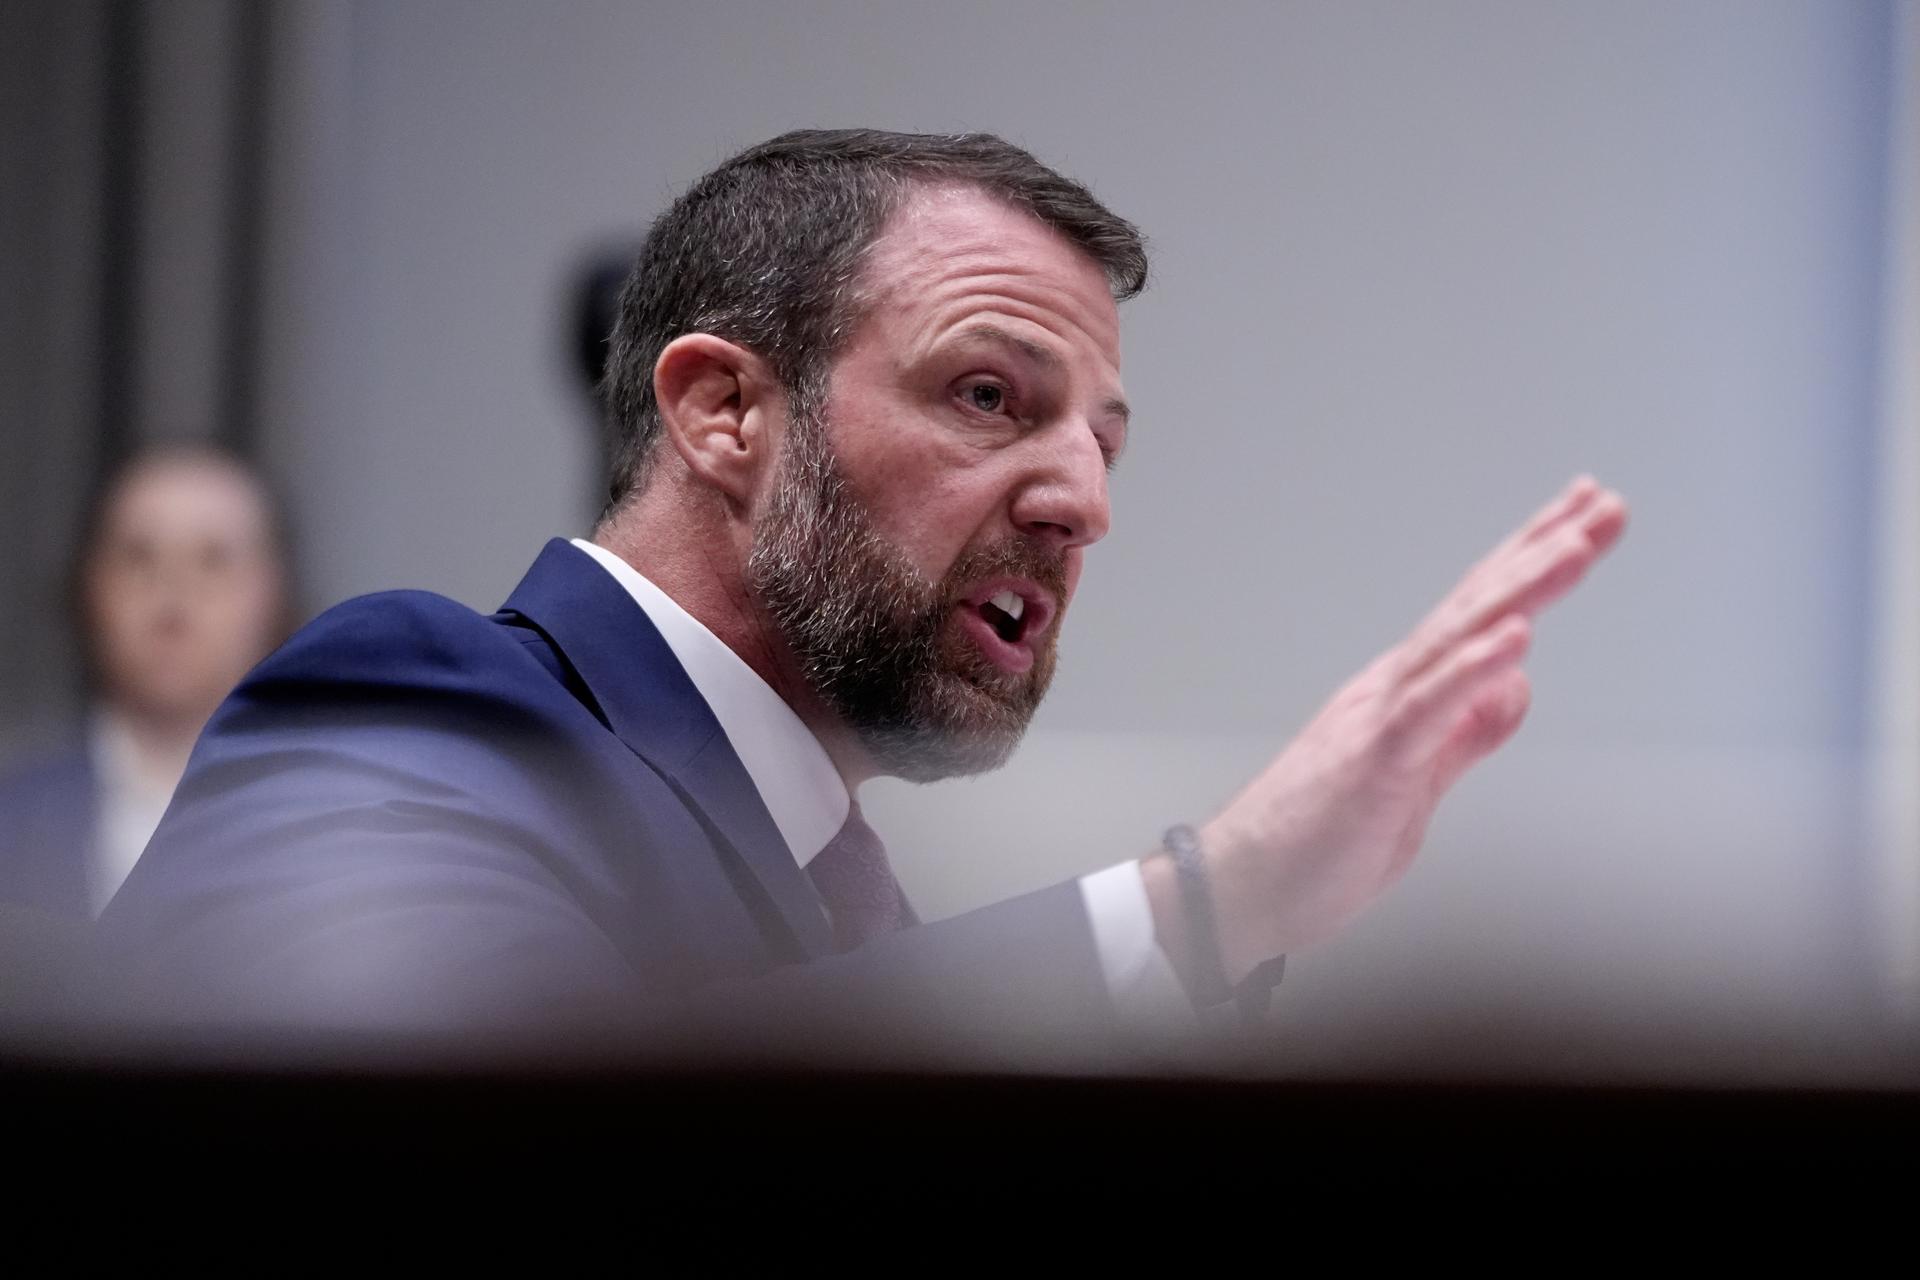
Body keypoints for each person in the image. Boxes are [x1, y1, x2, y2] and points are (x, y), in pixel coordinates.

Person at [95, 131, 1626, 1059]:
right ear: (722, 414)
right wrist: (1207, 906)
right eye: (986, 394)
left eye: (1102, 443)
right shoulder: (409, 702)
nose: (1081, 502)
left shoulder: (858, 907)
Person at [0, 443, 294, 922]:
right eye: (138, 557)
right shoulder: (8, 826)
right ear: (89, 586)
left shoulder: (345, 838)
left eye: (214, 559)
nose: (174, 598)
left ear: (274, 594)